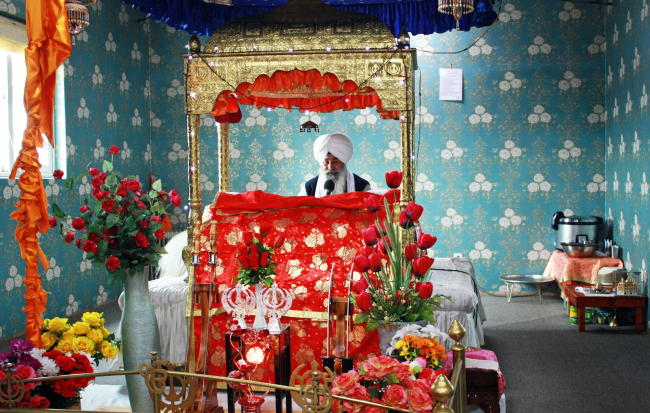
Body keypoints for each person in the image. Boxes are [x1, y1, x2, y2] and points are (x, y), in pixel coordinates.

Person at [299, 133, 370, 197]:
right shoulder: (309, 188)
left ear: (343, 162)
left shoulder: (361, 186)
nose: (330, 167)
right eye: (326, 162)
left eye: (335, 162)